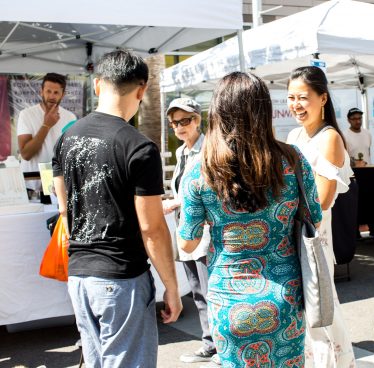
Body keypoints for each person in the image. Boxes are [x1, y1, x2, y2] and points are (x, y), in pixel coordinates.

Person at [178, 71, 322, 367]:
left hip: (228, 303)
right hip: (285, 298)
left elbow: (188, 243)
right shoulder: (292, 160)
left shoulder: (200, 169)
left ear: (216, 112)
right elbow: (314, 220)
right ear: (264, 110)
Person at [52, 50, 182, 367]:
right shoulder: (138, 147)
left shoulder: (66, 138)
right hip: (121, 277)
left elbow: (64, 209)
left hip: (80, 275)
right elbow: (151, 228)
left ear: (97, 85)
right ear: (141, 90)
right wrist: (172, 288)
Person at [286, 66, 356, 368]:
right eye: (291, 98)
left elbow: (323, 201)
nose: (296, 105)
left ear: (322, 98)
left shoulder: (330, 139)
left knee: (320, 310)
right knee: (306, 311)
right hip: (292, 234)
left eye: (303, 97)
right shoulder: (293, 135)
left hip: (315, 237)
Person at [162, 97, 218, 365]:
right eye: (174, 123)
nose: (179, 127)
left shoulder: (210, 150)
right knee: (197, 292)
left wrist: (177, 202)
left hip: (205, 233)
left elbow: (213, 192)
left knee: (210, 291)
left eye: (185, 121)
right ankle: (210, 343)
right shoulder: (182, 152)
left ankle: (220, 345)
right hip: (186, 231)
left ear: (197, 120)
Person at [17, 73, 76, 191]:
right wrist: (46, 125)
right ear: (41, 92)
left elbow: (71, 154)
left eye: (56, 92)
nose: (51, 96)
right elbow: (26, 154)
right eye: (48, 91)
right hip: (31, 184)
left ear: (62, 95)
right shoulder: (26, 115)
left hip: (57, 185)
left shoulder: (70, 117)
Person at [342, 107, 374, 239]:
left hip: (368, 173)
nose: (357, 121)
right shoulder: (344, 135)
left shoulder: (367, 133)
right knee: (356, 203)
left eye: (359, 118)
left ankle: (373, 230)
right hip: (353, 174)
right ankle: (356, 232)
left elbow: (367, 152)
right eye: (354, 119)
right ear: (348, 120)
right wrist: (354, 163)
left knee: (370, 201)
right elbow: (343, 156)